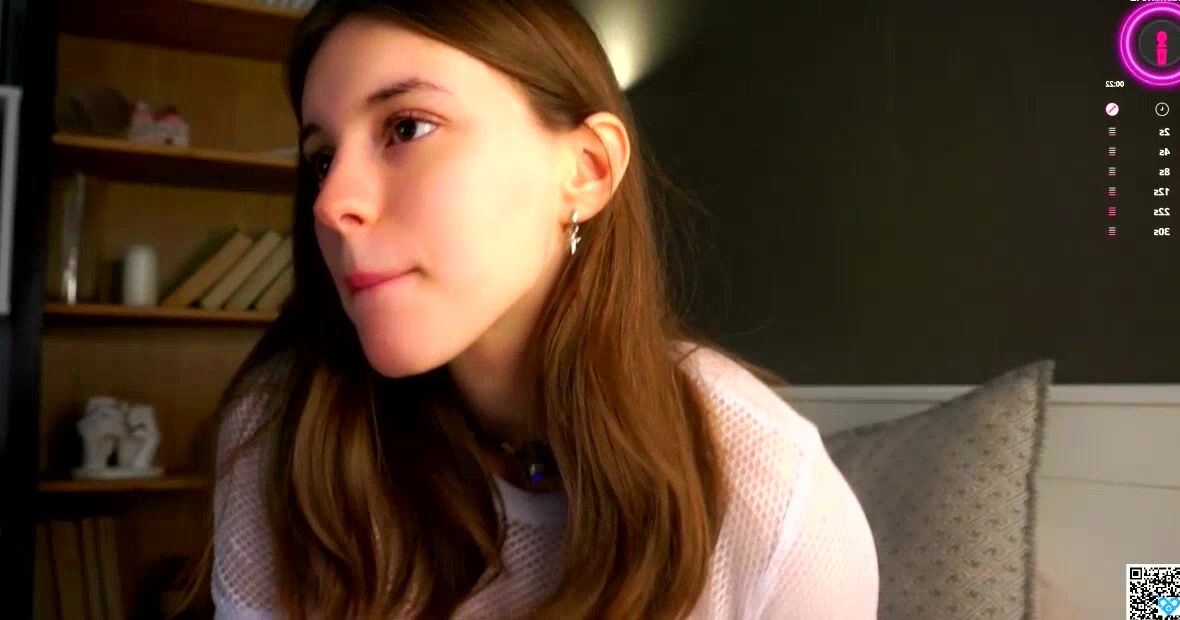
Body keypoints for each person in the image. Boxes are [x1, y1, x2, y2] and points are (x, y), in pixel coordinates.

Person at [179, 0, 879, 617]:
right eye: (322, 158)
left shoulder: (772, 497)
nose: (332, 204)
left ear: (586, 171)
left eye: (407, 127)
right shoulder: (286, 436)